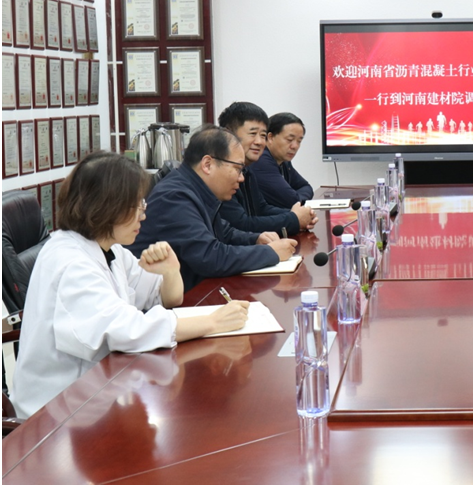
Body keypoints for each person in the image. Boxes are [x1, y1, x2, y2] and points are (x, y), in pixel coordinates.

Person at [11, 151, 251, 418]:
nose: (143, 216)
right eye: (136, 206)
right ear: (106, 206)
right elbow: (127, 330)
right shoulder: (70, 262)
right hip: (56, 415)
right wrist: (212, 322)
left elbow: (167, 298)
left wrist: (171, 272)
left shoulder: (108, 249)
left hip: (96, 395)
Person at [129, 126, 297, 291]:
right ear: (207, 164)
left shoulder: (195, 188)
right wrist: (269, 252)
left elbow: (224, 232)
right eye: (238, 169)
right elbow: (209, 258)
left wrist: (256, 239)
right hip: (163, 301)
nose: (241, 178)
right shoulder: (174, 197)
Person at [217, 102, 317, 234]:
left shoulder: (247, 169)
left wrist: (300, 215)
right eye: (253, 133)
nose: (259, 142)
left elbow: (261, 208)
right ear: (229, 134)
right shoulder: (219, 171)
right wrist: (294, 219)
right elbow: (241, 224)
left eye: (262, 135)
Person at [248, 112, 314, 210]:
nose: (295, 146)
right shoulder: (261, 161)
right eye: (289, 139)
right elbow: (291, 201)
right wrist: (297, 198)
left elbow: (306, 186)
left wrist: (297, 197)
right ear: (270, 137)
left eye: (299, 141)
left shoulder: (283, 161)